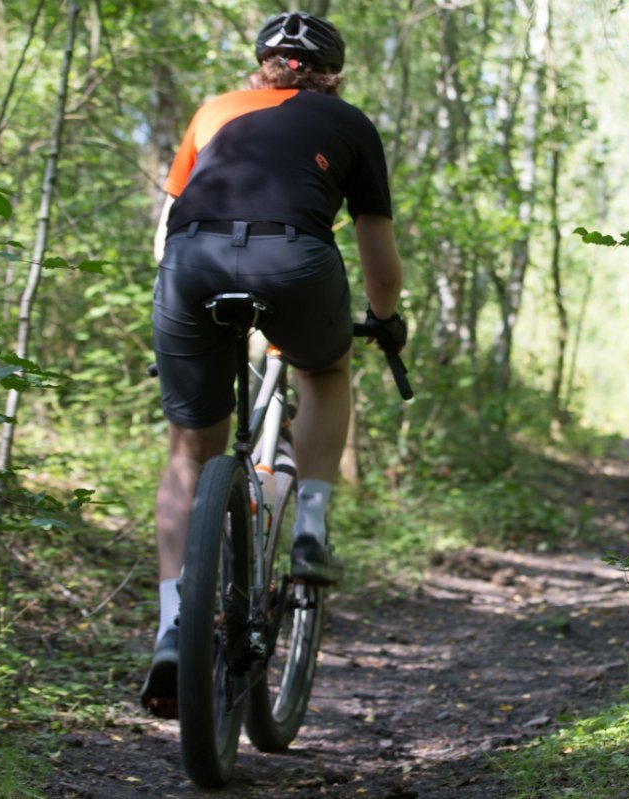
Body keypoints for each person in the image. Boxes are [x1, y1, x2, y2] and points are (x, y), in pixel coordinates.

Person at [139, 11, 409, 718]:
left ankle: (173, 626)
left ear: (262, 64)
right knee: (325, 370)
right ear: (333, 72)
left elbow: (166, 229)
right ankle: (312, 521)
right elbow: (380, 264)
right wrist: (385, 321)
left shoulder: (213, 112)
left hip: (190, 264)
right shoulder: (348, 124)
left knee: (189, 453)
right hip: (294, 259)